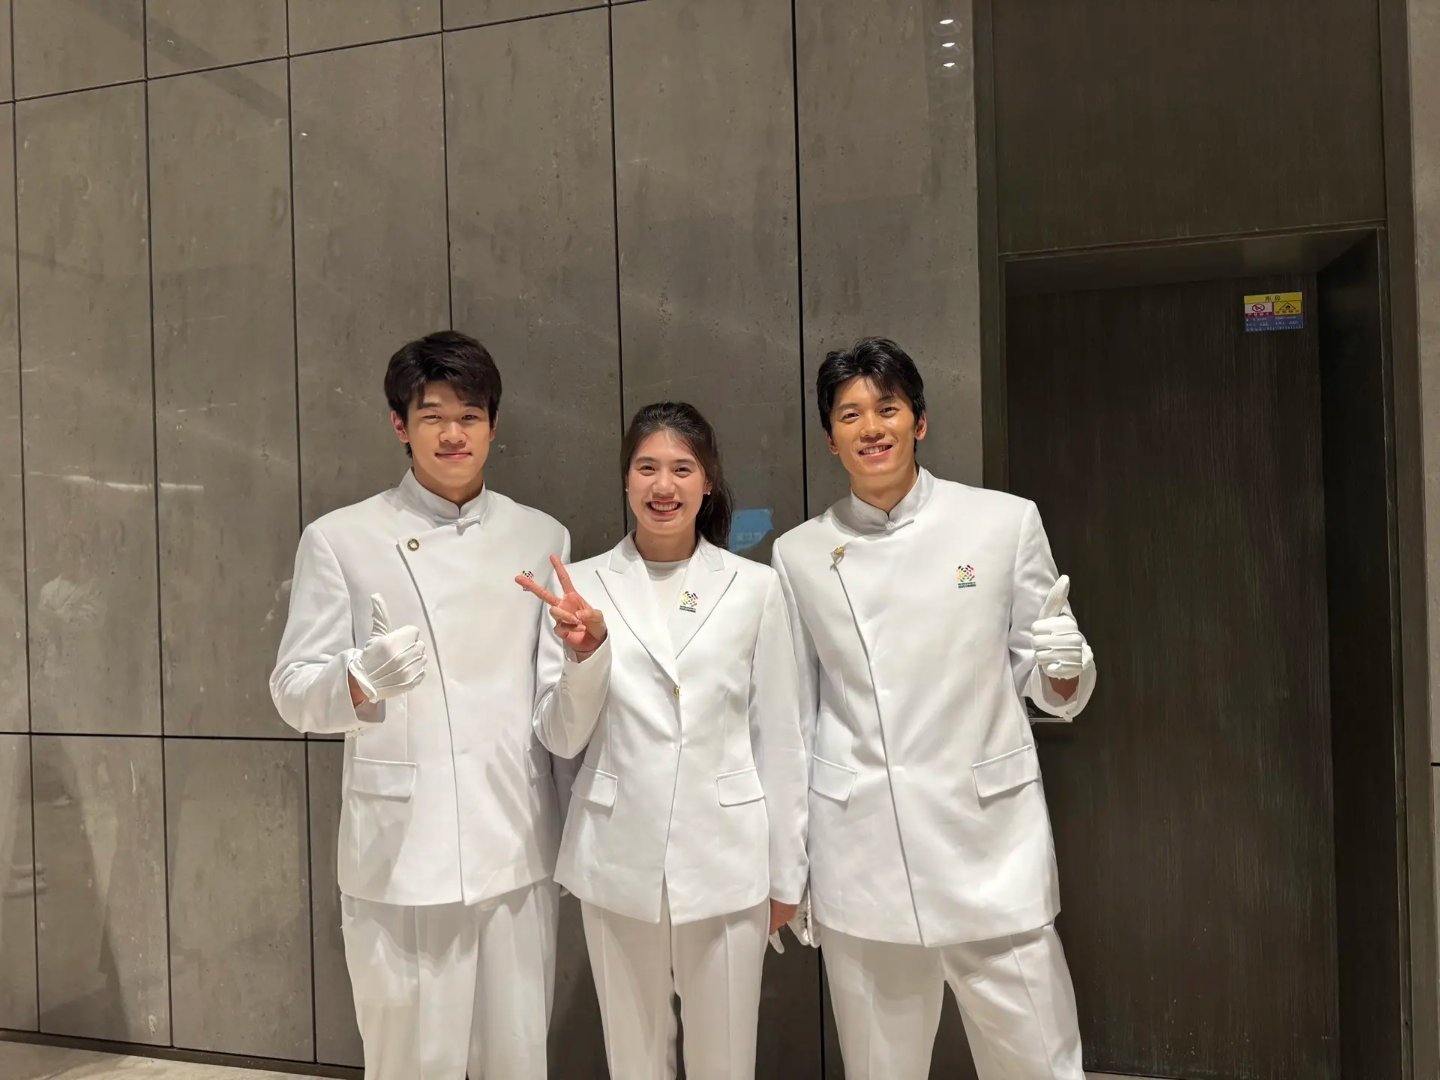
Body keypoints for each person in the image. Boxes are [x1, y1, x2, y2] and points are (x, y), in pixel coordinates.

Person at [770, 337, 1096, 1079]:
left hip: (989, 846)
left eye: (887, 408)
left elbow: (1050, 680)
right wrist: (788, 866)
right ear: (831, 439)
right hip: (863, 855)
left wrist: (1064, 668)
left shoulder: (1002, 523)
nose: (871, 427)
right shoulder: (800, 554)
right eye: (850, 414)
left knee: (1041, 1067)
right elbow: (792, 717)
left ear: (918, 420)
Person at [270, 331, 568, 1079]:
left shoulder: (542, 535)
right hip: (400, 852)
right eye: (433, 415)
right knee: (410, 1064)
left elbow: (551, 694)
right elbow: (292, 689)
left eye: (470, 416)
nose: (452, 433)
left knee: (517, 1061)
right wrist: (358, 679)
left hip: (513, 837)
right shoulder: (341, 538)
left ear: (494, 426)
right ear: (400, 425)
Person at [517, 401, 809, 1080]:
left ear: (708, 482)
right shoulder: (581, 585)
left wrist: (786, 873)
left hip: (729, 856)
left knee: (725, 1062)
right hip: (616, 854)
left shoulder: (755, 587)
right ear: (626, 479)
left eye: (682, 468)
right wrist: (586, 656)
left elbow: (779, 736)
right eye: (647, 467)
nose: (663, 485)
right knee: (634, 1061)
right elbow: (560, 736)